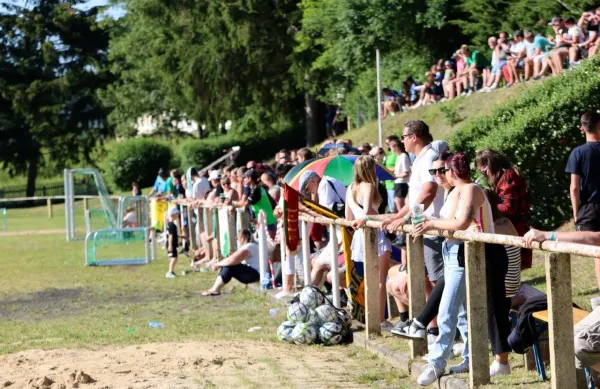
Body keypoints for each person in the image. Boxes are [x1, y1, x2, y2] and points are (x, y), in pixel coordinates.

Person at [410, 152, 495, 385]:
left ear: (451, 171)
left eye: (441, 170)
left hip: (467, 255)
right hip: (454, 253)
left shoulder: (469, 189)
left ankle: (437, 364)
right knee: (461, 313)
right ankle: (469, 358)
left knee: (447, 311)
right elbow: (448, 226)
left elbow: (461, 224)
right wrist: (426, 225)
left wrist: (430, 224)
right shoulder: (454, 192)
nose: (438, 175)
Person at [382, 121, 446, 320]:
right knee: (425, 279)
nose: (402, 141)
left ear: (414, 137)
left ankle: (449, 331)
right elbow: (415, 197)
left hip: (434, 226)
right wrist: (397, 217)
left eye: (403, 137)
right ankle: (433, 327)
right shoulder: (420, 158)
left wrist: (410, 218)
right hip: (424, 227)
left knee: (438, 282)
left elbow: (429, 192)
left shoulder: (428, 158)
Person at [388, 153, 454, 339]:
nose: (437, 175)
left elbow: (457, 221)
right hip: (434, 237)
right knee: (429, 283)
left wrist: (420, 220)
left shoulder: (455, 190)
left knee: (441, 287)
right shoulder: (444, 189)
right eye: (433, 171)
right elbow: (414, 203)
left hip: (450, 245)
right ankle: (432, 330)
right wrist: (398, 217)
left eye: (442, 170)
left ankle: (434, 330)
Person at [346, 155, 392, 326]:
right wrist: (389, 216)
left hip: (359, 235)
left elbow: (348, 216)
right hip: (374, 233)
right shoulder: (369, 185)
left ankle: (369, 315)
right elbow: (367, 212)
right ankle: (380, 319)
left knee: (368, 278)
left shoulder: (350, 187)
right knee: (380, 279)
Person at [475, 148, 532, 269]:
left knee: (510, 268)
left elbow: (508, 208)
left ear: (491, 164)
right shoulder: (503, 177)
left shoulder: (507, 178)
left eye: (484, 172)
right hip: (512, 226)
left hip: (515, 228)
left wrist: (487, 205)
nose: (484, 175)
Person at [201, 229, 260, 296]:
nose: (237, 240)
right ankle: (214, 288)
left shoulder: (249, 247)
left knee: (230, 266)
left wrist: (217, 264)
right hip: (254, 273)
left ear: (242, 237)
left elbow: (232, 260)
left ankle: (215, 290)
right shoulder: (252, 245)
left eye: (237, 238)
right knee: (228, 264)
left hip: (255, 274)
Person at [391, 139, 411, 213]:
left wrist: (395, 176)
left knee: (400, 206)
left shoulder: (403, 156)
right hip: (398, 183)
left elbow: (406, 173)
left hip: (402, 183)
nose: (391, 150)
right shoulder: (399, 156)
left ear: (396, 147)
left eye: (392, 147)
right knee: (398, 205)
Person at [383, 135, 400, 213]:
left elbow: (398, 167)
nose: (387, 145)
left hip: (394, 183)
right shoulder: (389, 154)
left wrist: (385, 169)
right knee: (391, 207)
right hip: (388, 183)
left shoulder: (398, 154)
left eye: (388, 143)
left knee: (395, 207)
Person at [165, 206, 180, 279]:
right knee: (174, 258)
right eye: (177, 214)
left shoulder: (170, 224)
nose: (178, 215)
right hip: (171, 244)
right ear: (173, 214)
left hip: (172, 244)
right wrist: (170, 245)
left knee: (174, 258)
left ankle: (172, 271)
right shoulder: (172, 225)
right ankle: (170, 272)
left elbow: (172, 234)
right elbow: (170, 236)